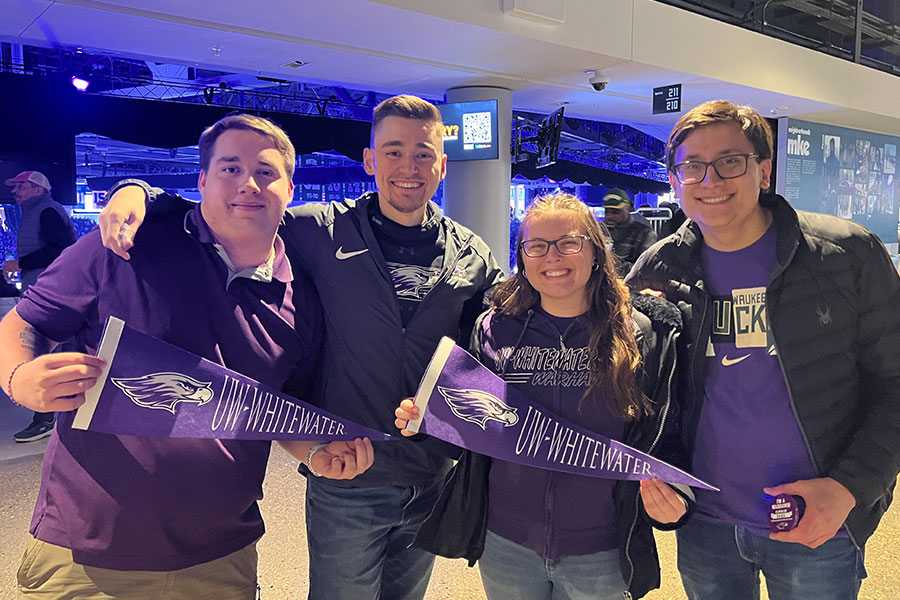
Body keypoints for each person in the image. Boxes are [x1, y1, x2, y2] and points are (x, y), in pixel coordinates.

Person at [97, 95, 505, 600]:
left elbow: (494, 348)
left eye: (423, 154)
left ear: (442, 165)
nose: (409, 167)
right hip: (347, 468)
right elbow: (228, 210)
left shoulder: (473, 254)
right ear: (370, 159)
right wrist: (138, 191)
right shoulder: (316, 229)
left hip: (432, 474)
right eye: (394, 151)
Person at [0, 114, 373, 599]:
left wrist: (319, 452)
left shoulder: (301, 299)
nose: (248, 185)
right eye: (230, 169)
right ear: (201, 181)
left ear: (289, 187)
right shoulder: (123, 245)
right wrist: (18, 377)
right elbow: (23, 323)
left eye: (266, 171)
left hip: (220, 558)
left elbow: (276, 408)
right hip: (87, 554)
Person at [627, 100, 900, 599]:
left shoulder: (847, 255)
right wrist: (659, 472)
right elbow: (646, 390)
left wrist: (849, 489)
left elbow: (895, 383)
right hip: (705, 523)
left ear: (764, 170)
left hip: (816, 520)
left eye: (730, 161)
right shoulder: (659, 269)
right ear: (674, 179)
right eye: (692, 165)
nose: (710, 179)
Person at [394, 192, 692, 599]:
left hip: (601, 550)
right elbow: (481, 432)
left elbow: (670, 435)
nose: (552, 257)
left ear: (595, 252)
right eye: (536, 246)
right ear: (522, 256)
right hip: (506, 544)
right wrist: (428, 421)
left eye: (569, 243)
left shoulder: (644, 334)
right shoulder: (494, 328)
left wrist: (679, 495)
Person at [3, 170, 77, 443]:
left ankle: (46, 419)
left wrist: (20, 264)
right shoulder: (37, 211)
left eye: (20, 185)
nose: (15, 190)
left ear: (37, 189)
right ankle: (61, 414)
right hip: (46, 291)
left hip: (55, 294)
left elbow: (62, 250)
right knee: (53, 351)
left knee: (45, 351)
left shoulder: (47, 211)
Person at [601, 188, 657, 276]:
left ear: (628, 209)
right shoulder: (598, 230)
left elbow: (646, 268)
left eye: (616, 212)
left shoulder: (644, 233)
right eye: (607, 212)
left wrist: (613, 266)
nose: (610, 216)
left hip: (628, 285)